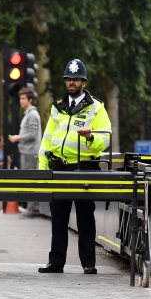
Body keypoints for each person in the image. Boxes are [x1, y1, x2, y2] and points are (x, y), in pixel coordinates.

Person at [38, 58, 111, 275]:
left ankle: (88, 263)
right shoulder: (57, 108)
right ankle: (56, 262)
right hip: (59, 167)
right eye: (69, 79)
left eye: (76, 79)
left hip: (84, 167)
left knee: (85, 217)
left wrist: (90, 138)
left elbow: (106, 138)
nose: (72, 82)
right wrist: (43, 169)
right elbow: (47, 139)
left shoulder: (96, 108)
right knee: (58, 217)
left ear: (84, 83)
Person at [10, 86, 42, 217]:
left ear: (30, 99)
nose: (21, 101)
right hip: (27, 151)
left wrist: (18, 137)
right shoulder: (28, 114)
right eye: (20, 98)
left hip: (31, 152)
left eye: (23, 98)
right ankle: (31, 208)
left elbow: (33, 134)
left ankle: (33, 209)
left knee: (31, 180)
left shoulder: (32, 115)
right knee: (28, 179)